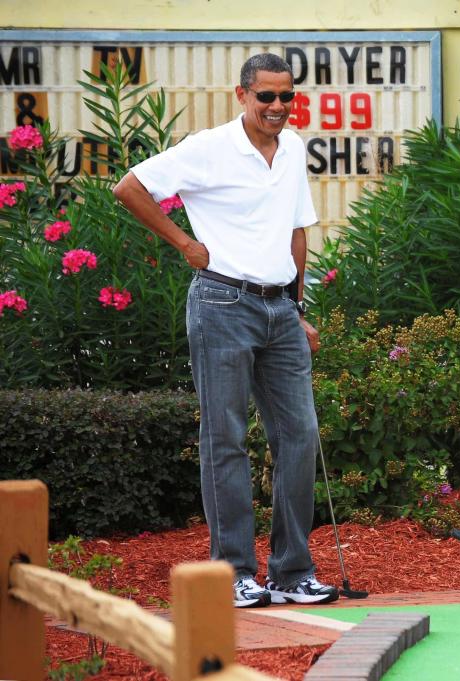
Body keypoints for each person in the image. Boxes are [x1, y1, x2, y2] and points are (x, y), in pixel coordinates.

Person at [113, 53, 338, 608]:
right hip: (220, 301)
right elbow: (129, 187)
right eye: (267, 97)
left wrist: (297, 306)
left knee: (300, 435)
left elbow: (296, 230)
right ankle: (234, 572)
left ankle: (291, 573)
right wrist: (185, 244)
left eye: (287, 96)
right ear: (242, 95)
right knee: (226, 440)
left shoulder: (291, 150)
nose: (278, 107)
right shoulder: (209, 148)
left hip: (280, 310)